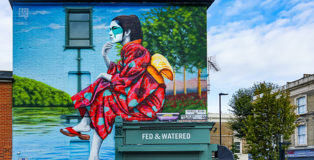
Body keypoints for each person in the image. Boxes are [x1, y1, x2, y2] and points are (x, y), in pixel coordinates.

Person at [60, 15, 172, 160]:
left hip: (147, 105)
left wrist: (103, 75)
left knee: (104, 92)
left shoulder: (139, 51)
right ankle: (92, 150)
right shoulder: (130, 51)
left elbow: (127, 79)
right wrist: (105, 57)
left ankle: (87, 131)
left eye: (114, 29)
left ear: (127, 32)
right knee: (102, 98)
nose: (110, 32)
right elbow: (118, 73)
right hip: (136, 99)